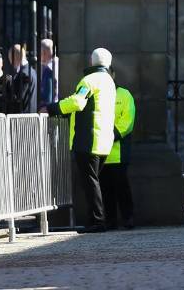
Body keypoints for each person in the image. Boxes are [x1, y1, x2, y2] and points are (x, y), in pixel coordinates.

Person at [47, 47, 116, 233]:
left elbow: (78, 102)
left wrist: (52, 108)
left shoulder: (89, 80)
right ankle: (97, 219)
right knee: (94, 181)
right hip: (104, 140)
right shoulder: (109, 81)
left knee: (90, 183)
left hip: (88, 139)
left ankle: (97, 221)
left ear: (91, 62)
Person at [102, 69, 136, 230]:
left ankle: (128, 218)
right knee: (105, 188)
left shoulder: (124, 94)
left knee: (122, 187)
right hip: (101, 150)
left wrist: (111, 135)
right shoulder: (97, 94)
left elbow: (127, 121)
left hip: (118, 151)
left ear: (113, 75)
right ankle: (111, 220)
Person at [6, 44, 38, 114]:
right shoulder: (32, 71)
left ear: (13, 58)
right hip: (31, 116)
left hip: (23, 119)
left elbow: (17, 98)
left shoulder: (23, 74)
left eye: (11, 60)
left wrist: (9, 83)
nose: (11, 63)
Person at [38, 38, 58, 111]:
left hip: (50, 110)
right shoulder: (59, 63)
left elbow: (48, 96)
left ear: (43, 52)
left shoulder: (48, 70)